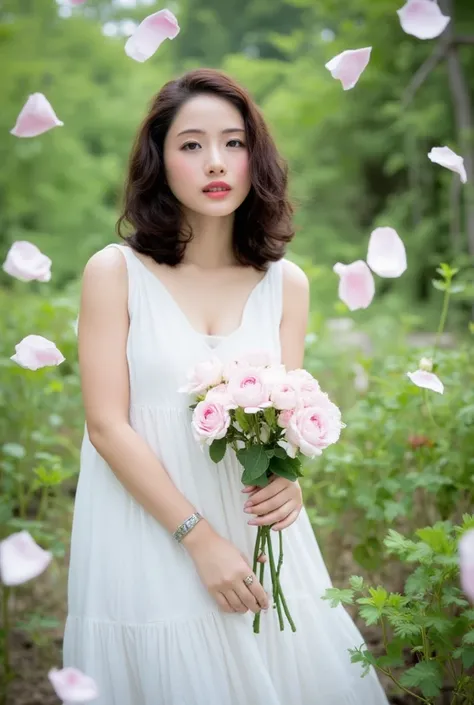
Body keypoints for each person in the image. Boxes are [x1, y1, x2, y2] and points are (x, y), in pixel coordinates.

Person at [63, 68, 389, 705]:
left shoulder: (284, 284)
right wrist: (200, 541)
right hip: (147, 530)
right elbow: (106, 424)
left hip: (257, 534)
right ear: (159, 160)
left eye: (233, 142)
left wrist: (289, 478)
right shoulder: (115, 272)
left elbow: (283, 414)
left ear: (255, 156)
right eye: (190, 144)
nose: (215, 161)